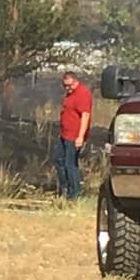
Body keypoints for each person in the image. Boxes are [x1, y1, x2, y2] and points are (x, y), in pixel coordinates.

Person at [54, 70, 92, 199]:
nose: (67, 88)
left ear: (76, 81)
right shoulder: (69, 94)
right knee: (58, 159)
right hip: (64, 134)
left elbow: (85, 116)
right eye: (65, 86)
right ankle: (64, 188)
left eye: (69, 85)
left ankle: (74, 193)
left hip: (74, 135)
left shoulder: (82, 94)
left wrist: (80, 137)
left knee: (70, 164)